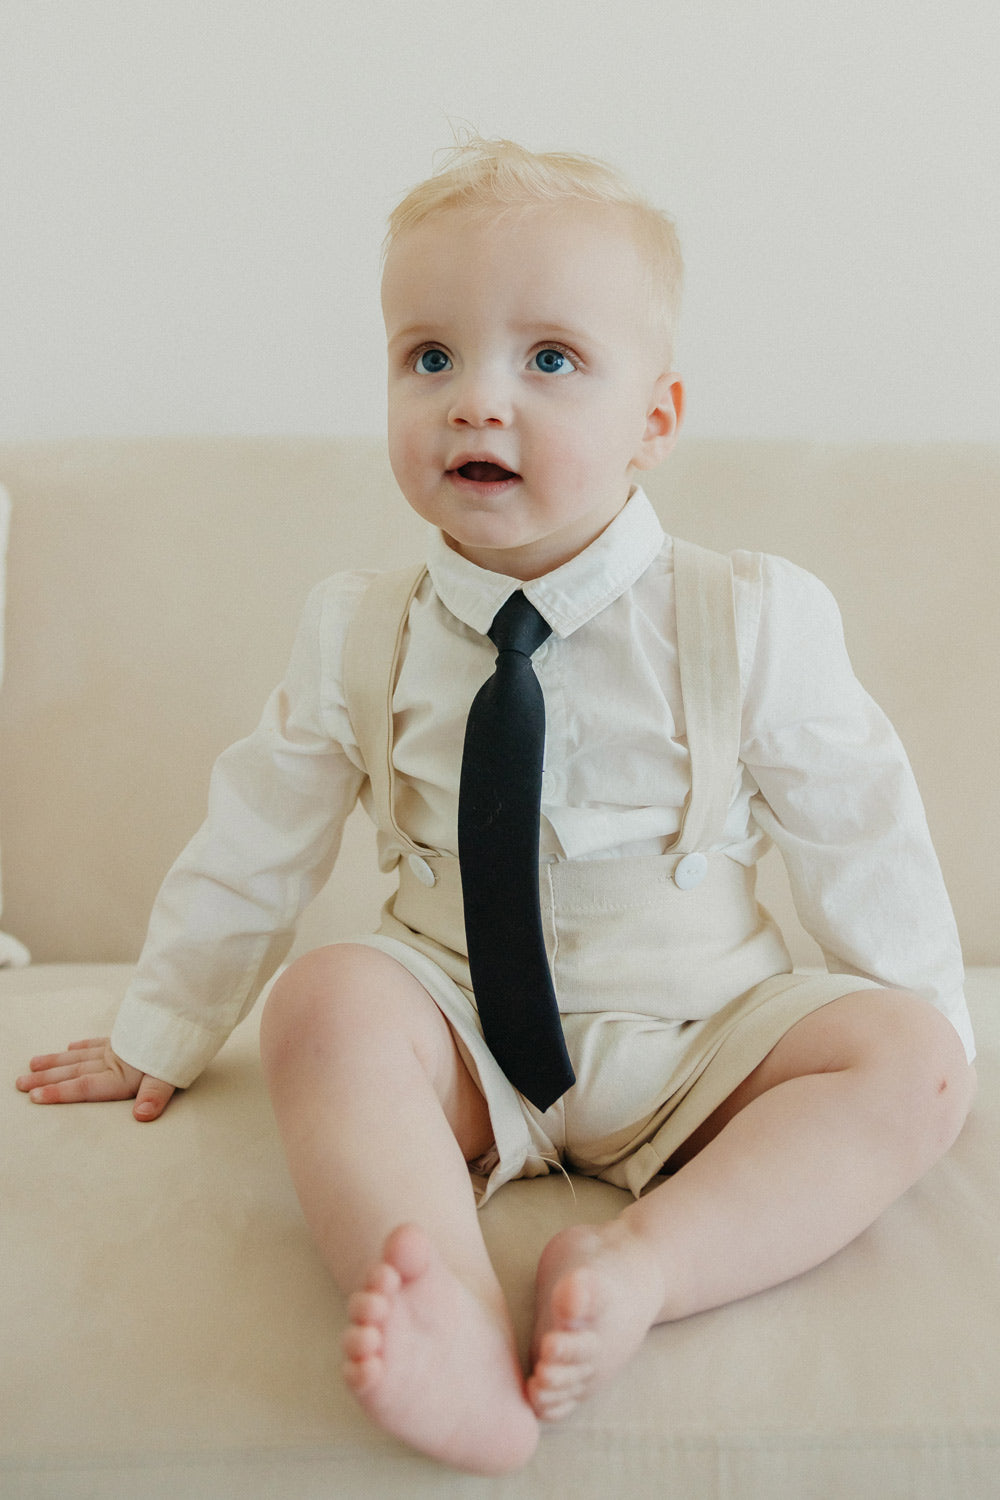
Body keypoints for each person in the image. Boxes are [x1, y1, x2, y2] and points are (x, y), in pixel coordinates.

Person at [17, 138, 976, 1476]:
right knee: (325, 999)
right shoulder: (358, 630)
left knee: (913, 1057)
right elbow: (253, 842)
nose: (476, 403)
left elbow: (864, 833)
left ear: (656, 418)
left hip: (703, 1035)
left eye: (551, 360)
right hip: (463, 1032)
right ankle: (453, 1325)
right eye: (430, 357)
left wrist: (931, 1031)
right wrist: (164, 1023)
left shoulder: (751, 615)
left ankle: (645, 1268)